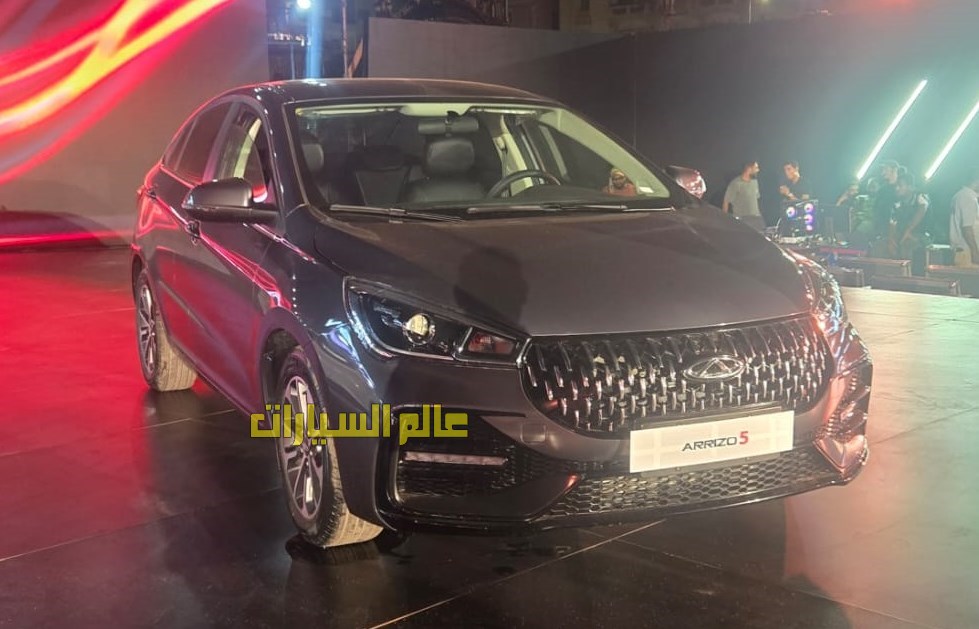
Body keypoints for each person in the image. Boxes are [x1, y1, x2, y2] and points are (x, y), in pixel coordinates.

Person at [891, 172, 930, 260]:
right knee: (882, 246)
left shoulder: (921, 197)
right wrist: (891, 240)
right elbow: (892, 222)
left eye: (900, 185)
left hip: (922, 235)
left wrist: (908, 230)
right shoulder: (897, 202)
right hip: (902, 234)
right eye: (896, 186)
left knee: (907, 245)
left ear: (910, 187)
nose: (896, 188)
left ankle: (908, 269)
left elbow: (921, 210)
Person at [949, 171, 979, 267]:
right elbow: (967, 228)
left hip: (964, 252)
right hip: (967, 253)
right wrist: (975, 252)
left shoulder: (960, 195)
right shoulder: (968, 198)